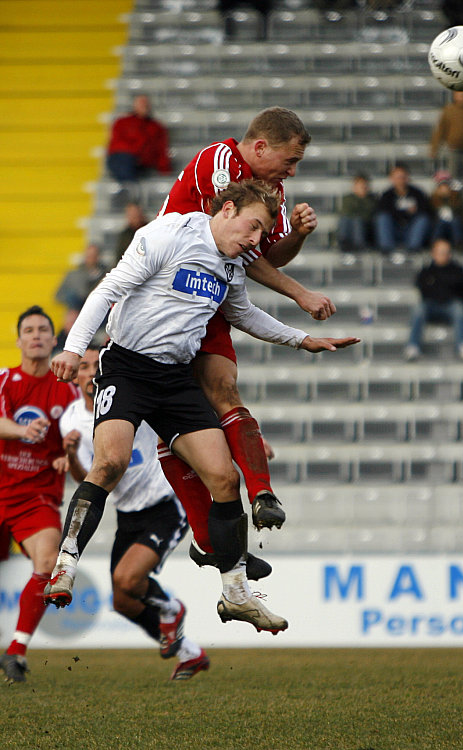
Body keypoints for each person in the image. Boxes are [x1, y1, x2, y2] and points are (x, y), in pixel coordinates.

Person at [43, 181, 360, 636]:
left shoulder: (231, 265)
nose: (255, 240)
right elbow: (107, 289)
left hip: (174, 378)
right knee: (109, 462)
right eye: (253, 227)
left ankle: (235, 595)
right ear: (227, 209)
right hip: (127, 367)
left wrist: (301, 339)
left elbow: (243, 314)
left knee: (225, 478)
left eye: (262, 233)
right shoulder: (168, 234)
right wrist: (74, 349)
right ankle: (66, 564)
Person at [157, 107, 334, 569]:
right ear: (260, 147)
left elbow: (267, 252)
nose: (292, 172)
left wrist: (295, 235)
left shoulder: (271, 188)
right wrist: (299, 295)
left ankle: (261, 498)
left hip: (208, 294)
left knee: (223, 389)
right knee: (169, 421)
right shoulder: (218, 162)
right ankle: (207, 536)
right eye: (289, 161)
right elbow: (235, 240)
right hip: (164, 295)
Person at [57, 346, 209, 680]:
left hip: (164, 504)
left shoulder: (131, 394)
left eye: (98, 364)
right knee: (122, 601)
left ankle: (171, 608)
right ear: (76, 376)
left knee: (128, 579)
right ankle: (190, 653)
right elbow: (89, 482)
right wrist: (70, 456)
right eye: (84, 366)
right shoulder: (71, 420)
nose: (91, 372)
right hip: (127, 512)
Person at [0, 306, 78, 682]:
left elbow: (78, 435)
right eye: (28, 329)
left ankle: (16, 650)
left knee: (48, 565)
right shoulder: (4, 380)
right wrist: (20, 431)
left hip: (36, 498)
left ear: (53, 339)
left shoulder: (69, 388)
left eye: (42, 329)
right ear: (18, 340)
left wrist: (69, 454)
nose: (35, 335)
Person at [404, 239, 463, 362]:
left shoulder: (458, 270)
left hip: (451, 305)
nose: (443, 255)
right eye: (440, 252)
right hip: (431, 305)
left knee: (459, 309)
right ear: (433, 253)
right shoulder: (426, 271)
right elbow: (423, 289)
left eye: (445, 252)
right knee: (419, 309)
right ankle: (413, 346)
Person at [106, 95, 171, 183]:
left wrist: (165, 170)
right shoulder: (122, 122)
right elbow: (117, 145)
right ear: (134, 105)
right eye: (140, 104)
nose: (143, 106)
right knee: (125, 162)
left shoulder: (157, 127)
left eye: (145, 104)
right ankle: (130, 190)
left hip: (142, 162)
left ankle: (128, 191)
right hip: (123, 158)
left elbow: (161, 149)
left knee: (127, 168)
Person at [374, 163, 431, 254]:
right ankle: (387, 250)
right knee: (382, 218)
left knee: (423, 219)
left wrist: (399, 212)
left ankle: (413, 250)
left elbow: (425, 210)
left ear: (407, 177)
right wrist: (408, 211)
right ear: (391, 179)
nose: (400, 180)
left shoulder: (417, 193)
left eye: (403, 177)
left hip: (411, 229)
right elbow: (383, 211)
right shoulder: (386, 195)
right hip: (393, 230)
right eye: (397, 177)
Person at [55, 244, 108, 312]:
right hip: (77, 312)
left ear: (98, 257)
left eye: (93, 255)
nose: (90, 258)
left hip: (98, 311)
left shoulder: (106, 275)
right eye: (88, 255)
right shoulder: (73, 275)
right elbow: (58, 296)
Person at [430, 170, 463, 248]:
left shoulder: (458, 198)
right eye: (441, 186)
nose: (444, 188)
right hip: (439, 224)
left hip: (455, 224)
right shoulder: (432, 199)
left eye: (446, 185)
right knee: (440, 224)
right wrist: (440, 200)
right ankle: (435, 245)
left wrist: (449, 200)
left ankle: (459, 244)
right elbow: (430, 214)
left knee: (455, 222)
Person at [337, 174, 377, 253]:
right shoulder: (347, 199)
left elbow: (370, 215)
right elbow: (346, 212)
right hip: (351, 227)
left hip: (367, 229)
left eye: (364, 185)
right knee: (346, 219)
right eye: (360, 185)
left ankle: (358, 245)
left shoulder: (372, 199)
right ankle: (344, 242)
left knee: (357, 221)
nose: (363, 187)